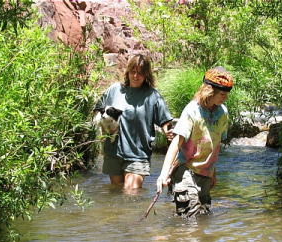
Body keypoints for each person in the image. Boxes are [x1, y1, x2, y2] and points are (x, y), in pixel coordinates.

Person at [156, 66, 233, 218]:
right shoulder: (192, 111)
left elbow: (215, 144)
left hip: (205, 171)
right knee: (189, 214)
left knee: (203, 215)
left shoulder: (222, 113)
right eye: (222, 94)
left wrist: (212, 171)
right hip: (186, 168)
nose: (226, 98)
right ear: (209, 91)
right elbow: (176, 142)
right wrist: (164, 173)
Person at [93, 54, 173, 191]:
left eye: (140, 73)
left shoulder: (152, 95)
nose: (136, 76)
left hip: (138, 154)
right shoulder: (114, 90)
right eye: (133, 72)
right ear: (128, 71)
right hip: (114, 152)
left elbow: (165, 120)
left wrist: (168, 131)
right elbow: (97, 110)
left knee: (131, 191)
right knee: (116, 193)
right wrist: (104, 128)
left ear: (147, 75)